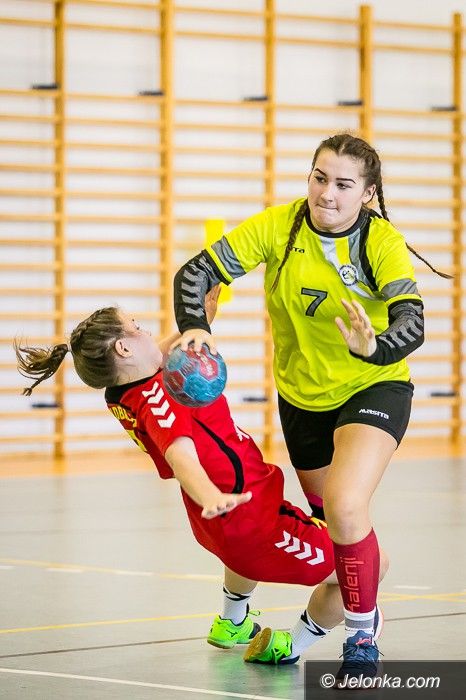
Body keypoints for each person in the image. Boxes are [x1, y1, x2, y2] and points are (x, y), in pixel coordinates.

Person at [172, 133, 448, 680]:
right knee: (330, 528)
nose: (327, 193)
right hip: (302, 399)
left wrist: (374, 347)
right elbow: (196, 273)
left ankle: (362, 640)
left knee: (345, 506)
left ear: (367, 194)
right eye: (319, 178)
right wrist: (196, 327)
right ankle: (294, 638)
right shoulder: (280, 225)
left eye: (344, 184)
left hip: (374, 385)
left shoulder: (380, 242)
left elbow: (412, 322)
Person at [15, 290, 388, 676]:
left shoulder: (123, 391)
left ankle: (233, 620)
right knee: (369, 564)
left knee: (241, 554)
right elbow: (181, 456)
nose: (148, 332)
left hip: (222, 524)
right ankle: (290, 644)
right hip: (253, 522)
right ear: (124, 348)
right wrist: (211, 495)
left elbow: (156, 357)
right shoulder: (161, 403)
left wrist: (196, 323)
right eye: (136, 327)